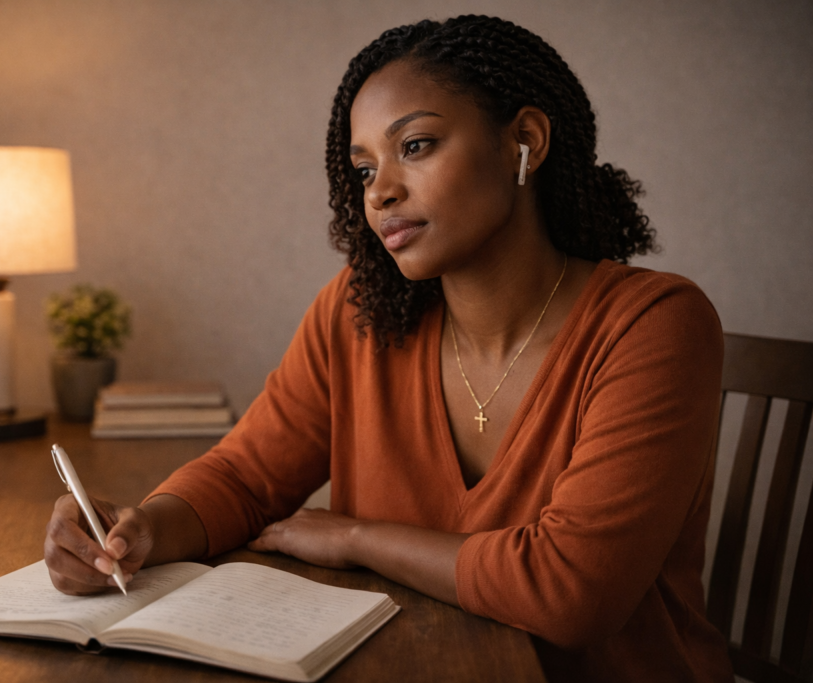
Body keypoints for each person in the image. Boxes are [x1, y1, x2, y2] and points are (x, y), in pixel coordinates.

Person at [44, 15, 734, 683]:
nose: (382, 193)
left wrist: (355, 536)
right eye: (364, 168)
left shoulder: (655, 325)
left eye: (416, 146)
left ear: (525, 139)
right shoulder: (357, 315)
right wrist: (138, 534)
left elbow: (572, 591)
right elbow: (246, 478)